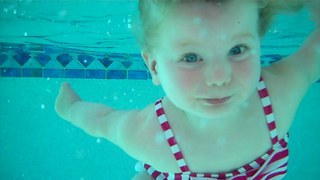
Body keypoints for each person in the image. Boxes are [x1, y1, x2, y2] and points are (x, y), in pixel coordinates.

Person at [55, 0, 320, 179]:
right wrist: (71, 108)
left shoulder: (279, 93)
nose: (219, 77)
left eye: (237, 50)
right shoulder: (150, 136)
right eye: (191, 57)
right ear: (155, 68)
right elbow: (103, 122)